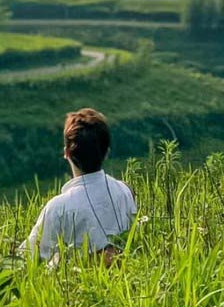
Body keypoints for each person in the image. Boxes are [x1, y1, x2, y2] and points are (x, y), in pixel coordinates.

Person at [20, 108, 137, 264]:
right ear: (106, 152)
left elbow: (29, 256)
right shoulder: (126, 191)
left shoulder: (57, 208)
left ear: (67, 152)